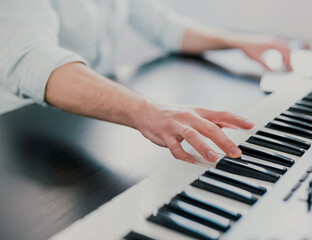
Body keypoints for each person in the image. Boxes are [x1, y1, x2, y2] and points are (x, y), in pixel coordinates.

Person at [0, 0, 291, 164]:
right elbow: (31, 61)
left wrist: (236, 41)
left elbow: (166, 27)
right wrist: (146, 109)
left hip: (89, 118)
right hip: (19, 130)